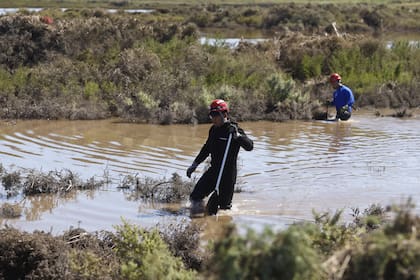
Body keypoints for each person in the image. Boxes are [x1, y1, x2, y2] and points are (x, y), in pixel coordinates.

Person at [186, 99, 253, 215]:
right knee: (195, 198)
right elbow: (206, 148)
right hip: (213, 172)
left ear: (225, 114)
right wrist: (195, 164)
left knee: (224, 210)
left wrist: (238, 137)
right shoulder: (213, 130)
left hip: (227, 176)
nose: (213, 118)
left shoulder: (234, 130)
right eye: (212, 115)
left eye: (216, 115)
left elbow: (250, 146)